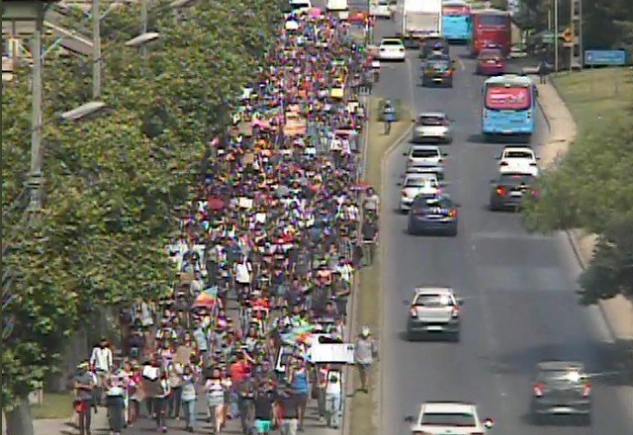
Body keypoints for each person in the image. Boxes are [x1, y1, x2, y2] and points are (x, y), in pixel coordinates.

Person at [89, 338, 113, 406]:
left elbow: (110, 361)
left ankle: (104, 401)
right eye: (102, 342)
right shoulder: (96, 350)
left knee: (105, 386)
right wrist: (91, 366)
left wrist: (110, 371)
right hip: (98, 369)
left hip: (105, 370)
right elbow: (92, 359)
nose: (103, 344)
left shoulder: (108, 351)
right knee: (98, 385)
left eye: (104, 342)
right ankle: (97, 400)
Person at [354, 326, 378, 393]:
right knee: (361, 374)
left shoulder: (371, 340)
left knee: (366, 373)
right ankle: (363, 384)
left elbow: (374, 349)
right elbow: (354, 348)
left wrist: (376, 356)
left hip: (368, 360)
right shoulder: (358, 339)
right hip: (359, 360)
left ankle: (366, 386)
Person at [74, 361, 95, 435]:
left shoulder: (89, 376)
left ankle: (88, 429)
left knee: (88, 415)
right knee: (81, 415)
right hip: (80, 399)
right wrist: (85, 386)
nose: (80, 370)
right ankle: (81, 431)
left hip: (87, 398)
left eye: (81, 368)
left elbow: (91, 387)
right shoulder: (77, 377)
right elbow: (76, 386)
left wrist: (81, 386)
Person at [205, 367, 226, 434]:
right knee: (213, 415)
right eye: (214, 372)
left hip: (219, 398)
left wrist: (223, 384)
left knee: (218, 414)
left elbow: (227, 387)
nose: (215, 373)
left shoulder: (221, 380)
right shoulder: (209, 381)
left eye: (217, 372)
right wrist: (209, 386)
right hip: (211, 398)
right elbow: (204, 389)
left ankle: (217, 429)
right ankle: (214, 426)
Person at [181, 364, 198, 433]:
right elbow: (180, 384)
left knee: (191, 412)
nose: (186, 371)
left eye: (188, 369)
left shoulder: (192, 377)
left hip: (191, 396)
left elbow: (195, 381)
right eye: (185, 369)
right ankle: (187, 424)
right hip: (184, 396)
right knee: (186, 413)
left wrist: (193, 372)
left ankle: (191, 426)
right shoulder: (182, 377)